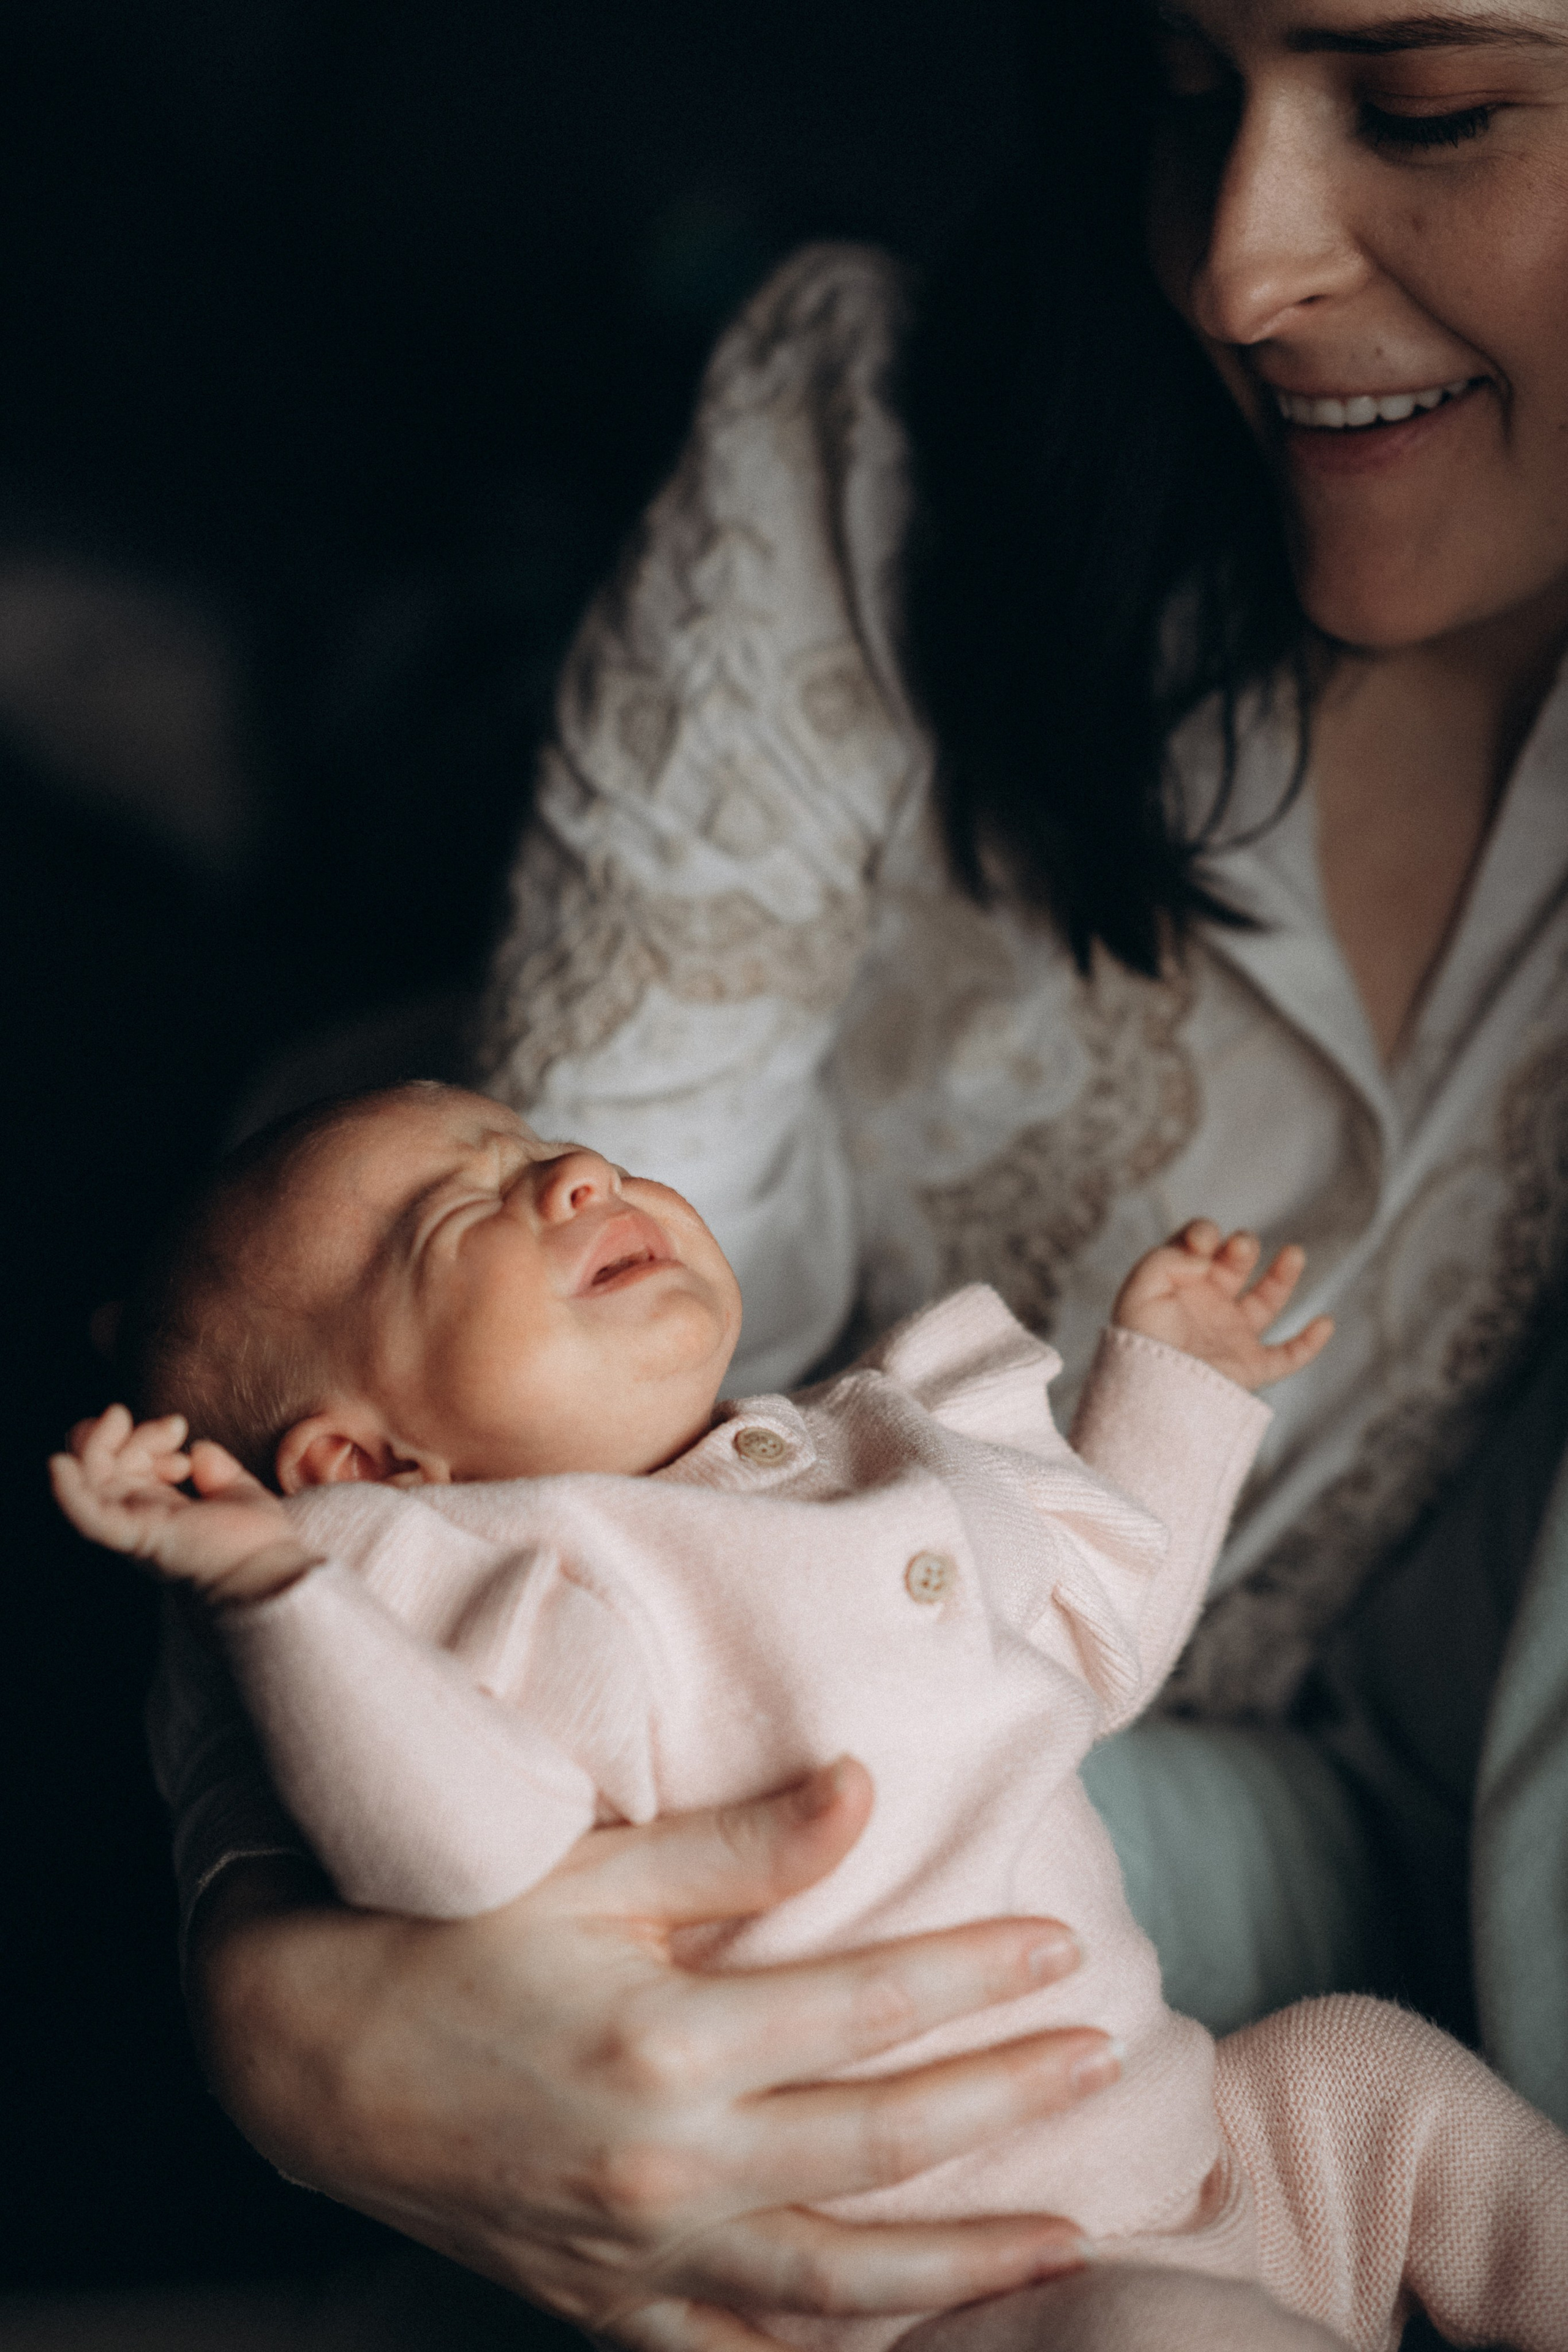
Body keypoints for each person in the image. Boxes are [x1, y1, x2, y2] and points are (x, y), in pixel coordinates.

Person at [162, 1, 1568, 2345]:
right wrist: (272, 1977)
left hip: (1188, 1846)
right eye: (1186, 94)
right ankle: (254, 691)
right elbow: (470, 1475)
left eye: (1426, 107)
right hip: (727, 1817)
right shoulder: (882, 438)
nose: (1233, 266)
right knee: (366, 934)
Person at [54, 1082, 1568, 2352]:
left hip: (1216, 2145)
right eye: (468, 1216)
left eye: (538, 1150)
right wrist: (283, 1598)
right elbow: (463, 1850)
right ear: (372, 1475)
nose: (574, 1173)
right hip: (977, 2291)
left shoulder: (869, 1446)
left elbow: (1092, 1641)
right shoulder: (531, 1591)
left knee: (1371, 2076)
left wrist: (1172, 1384)